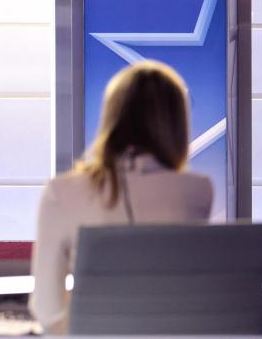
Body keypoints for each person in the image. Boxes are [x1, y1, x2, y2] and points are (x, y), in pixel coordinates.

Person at [29, 60, 213, 333]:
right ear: (177, 124)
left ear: (111, 117)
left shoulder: (62, 192)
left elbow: (46, 307)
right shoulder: (198, 190)